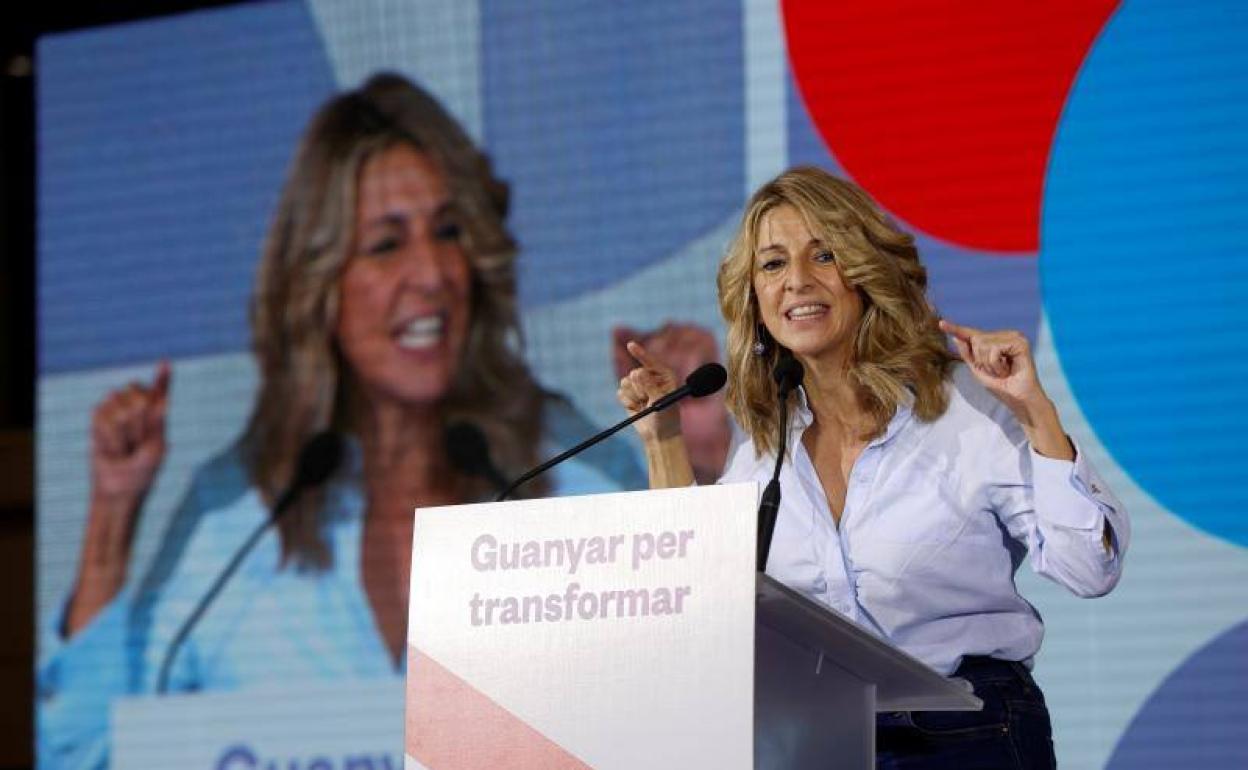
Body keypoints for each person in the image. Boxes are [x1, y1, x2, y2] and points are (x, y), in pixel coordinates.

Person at [39, 72, 643, 769]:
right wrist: (113, 515)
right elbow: (84, 755)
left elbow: (700, 699)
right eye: (387, 244)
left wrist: (699, 466)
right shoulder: (239, 514)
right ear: (318, 283)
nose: (432, 273)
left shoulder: (571, 471)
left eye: (448, 232)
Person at [617, 166, 1129, 769]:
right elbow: (695, 596)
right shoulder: (763, 448)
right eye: (773, 264)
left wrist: (1035, 410)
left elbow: (1088, 568)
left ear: (865, 273)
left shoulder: (967, 407)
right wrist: (662, 439)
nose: (798, 282)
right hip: (822, 741)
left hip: (969, 734)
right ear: (753, 296)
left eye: (825, 255)